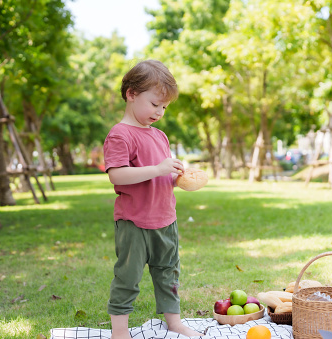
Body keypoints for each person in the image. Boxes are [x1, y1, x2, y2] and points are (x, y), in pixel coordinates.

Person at [103, 60, 203, 339]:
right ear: (131, 94)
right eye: (155, 104)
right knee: (128, 277)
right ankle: (119, 331)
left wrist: (175, 177)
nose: (159, 112)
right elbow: (118, 176)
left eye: (164, 107)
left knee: (168, 274)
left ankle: (174, 322)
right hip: (134, 222)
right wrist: (159, 169)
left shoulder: (160, 136)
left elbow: (158, 177)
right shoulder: (120, 134)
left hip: (165, 220)